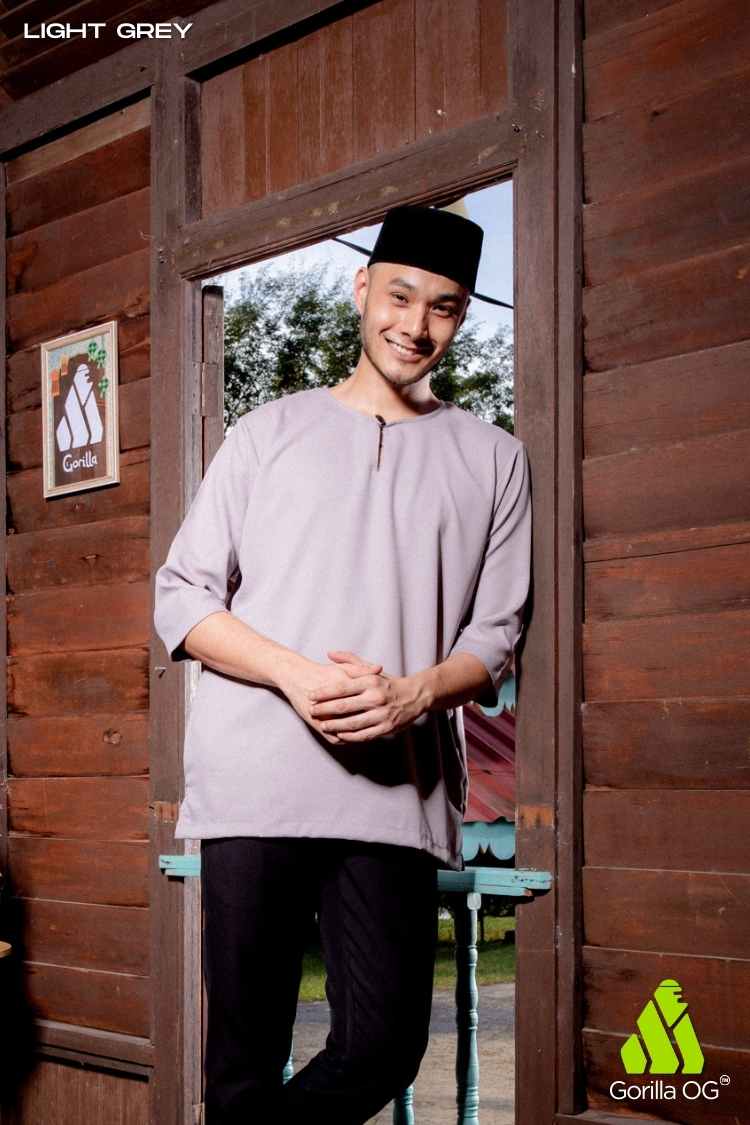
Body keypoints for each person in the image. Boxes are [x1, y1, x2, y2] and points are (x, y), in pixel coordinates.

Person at [153, 204, 532, 1124]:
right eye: (400, 296)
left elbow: (496, 636)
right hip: (256, 781)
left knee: (384, 1043)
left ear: (461, 315)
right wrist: (291, 672)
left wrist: (413, 693)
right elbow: (181, 597)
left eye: (443, 307)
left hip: (393, 791)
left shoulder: (495, 458)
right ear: (362, 290)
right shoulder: (265, 433)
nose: (416, 325)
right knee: (242, 1059)